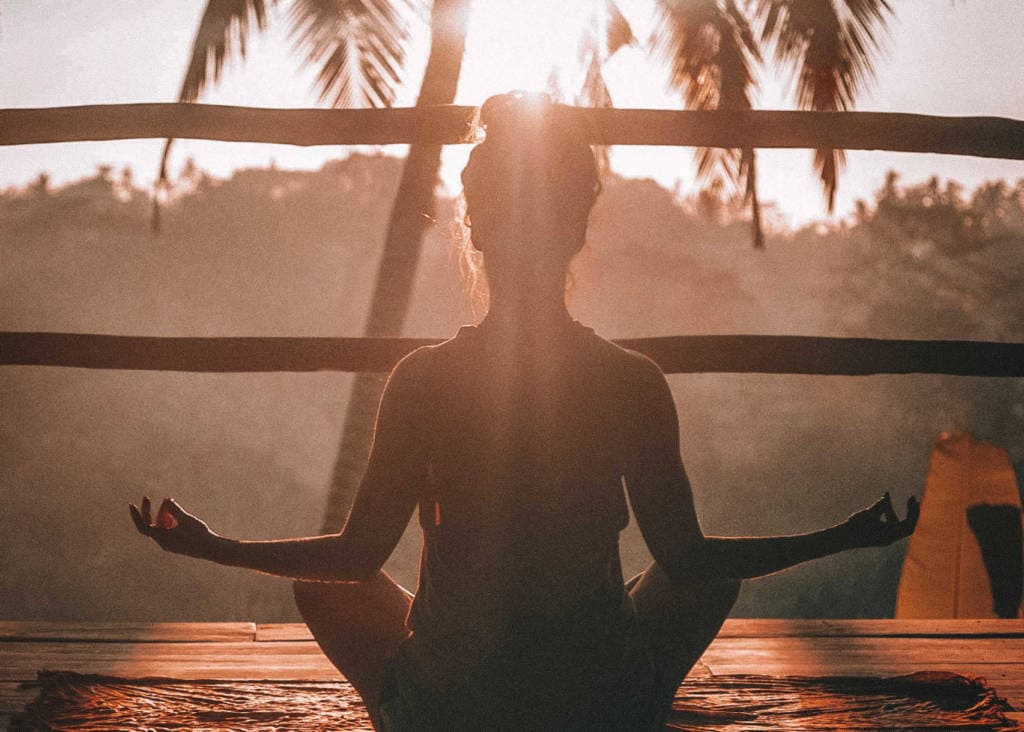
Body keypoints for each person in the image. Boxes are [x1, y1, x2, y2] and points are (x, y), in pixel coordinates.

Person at [130, 92, 919, 731]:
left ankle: (405, 717)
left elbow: (353, 556)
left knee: (323, 588)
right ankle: (638, 706)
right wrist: (841, 536)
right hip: (595, 707)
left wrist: (213, 545)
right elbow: (689, 559)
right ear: (577, 229)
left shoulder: (425, 379)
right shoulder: (630, 380)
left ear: (474, 228)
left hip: (457, 709)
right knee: (704, 580)